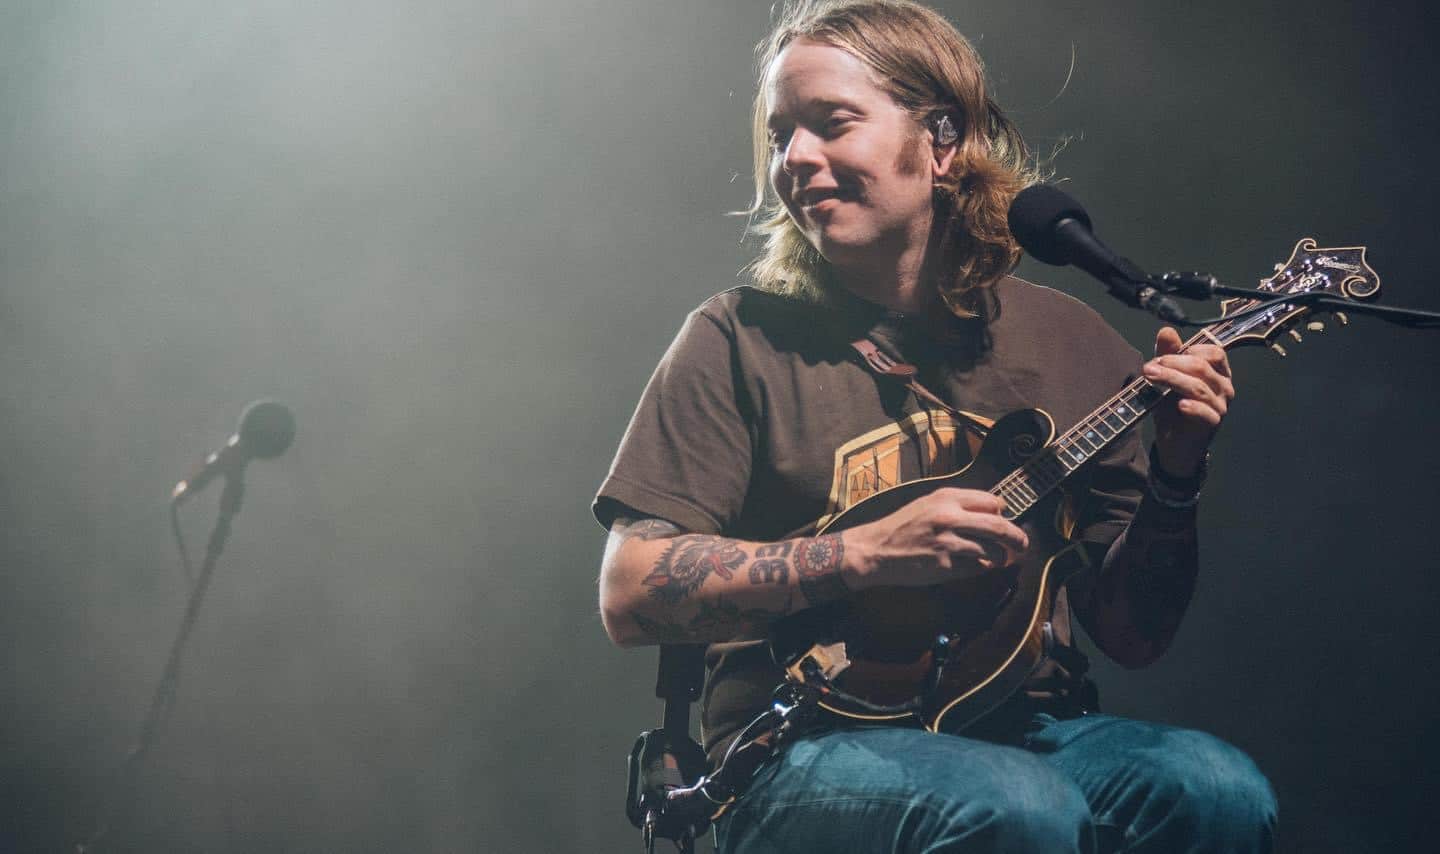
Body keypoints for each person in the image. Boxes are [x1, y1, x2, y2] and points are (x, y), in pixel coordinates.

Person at [594, 1, 1277, 851]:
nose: (795, 160)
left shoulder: (1072, 341)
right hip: (799, 746)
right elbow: (629, 593)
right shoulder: (736, 337)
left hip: (1027, 725)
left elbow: (1134, 636)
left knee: (1217, 789)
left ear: (943, 144)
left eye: (831, 124)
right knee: (1016, 805)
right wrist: (867, 554)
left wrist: (1179, 473)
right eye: (779, 136)